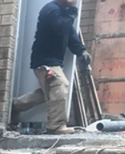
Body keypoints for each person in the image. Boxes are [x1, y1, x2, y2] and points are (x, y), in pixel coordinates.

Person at [11, 0, 92, 134]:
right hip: (45, 61)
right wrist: (72, 14)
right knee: (60, 86)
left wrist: (81, 51)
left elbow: (70, 34)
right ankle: (56, 126)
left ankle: (16, 105)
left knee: (50, 92)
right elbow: (62, 28)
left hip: (51, 61)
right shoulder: (51, 10)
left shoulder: (62, 13)